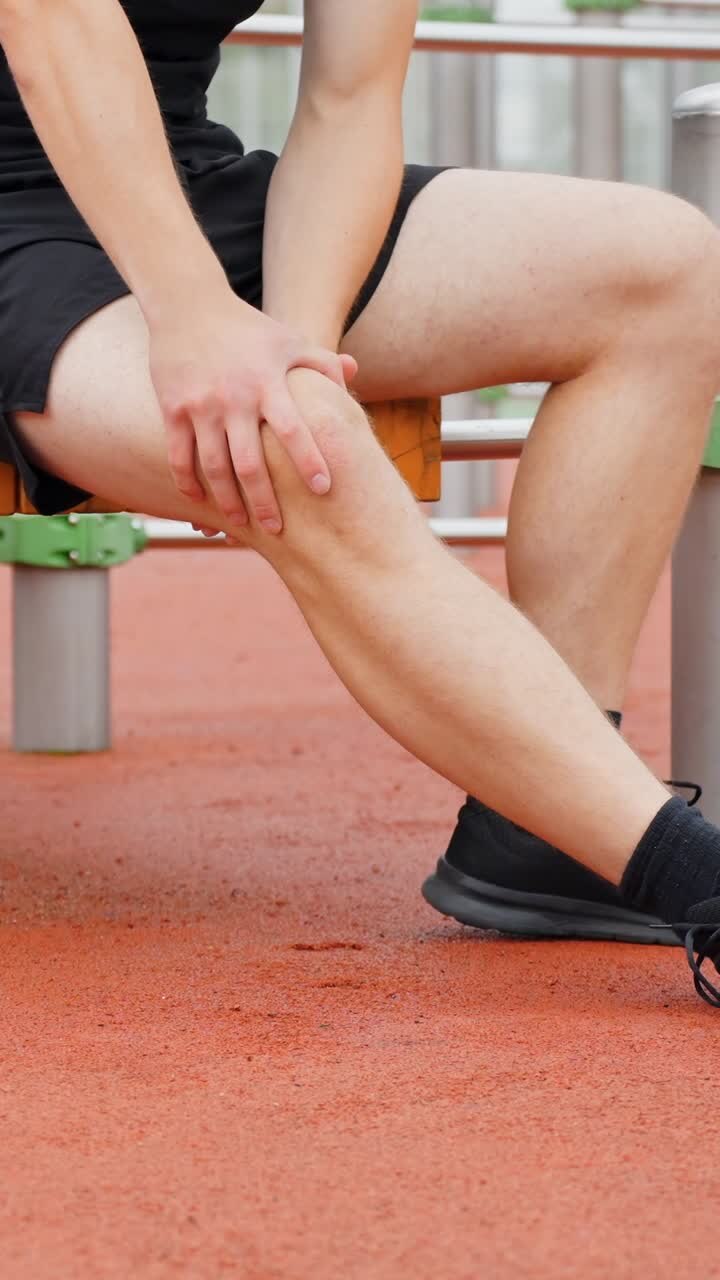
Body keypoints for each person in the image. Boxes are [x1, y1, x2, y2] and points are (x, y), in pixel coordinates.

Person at [1, 0, 720, 1005]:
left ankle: (545, 830)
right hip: (17, 211)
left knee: (666, 266)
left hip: (181, 179)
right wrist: (199, 317)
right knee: (288, 440)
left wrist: (295, 344)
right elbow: (53, 27)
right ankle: (693, 878)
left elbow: (350, 98)